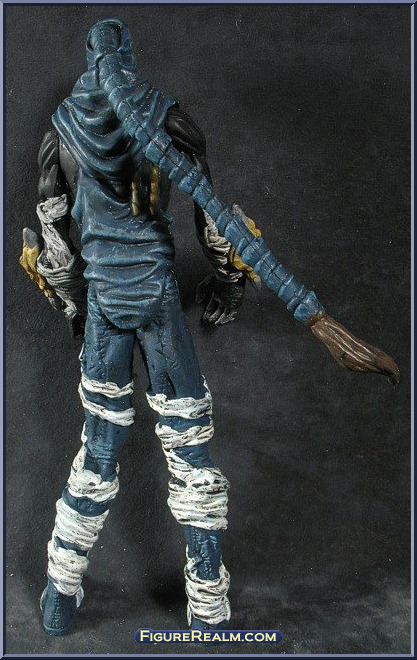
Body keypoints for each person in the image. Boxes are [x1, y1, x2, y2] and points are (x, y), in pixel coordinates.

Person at [20, 18, 398, 636]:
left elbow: (55, 241)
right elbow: (215, 222)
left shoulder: (61, 128)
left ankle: (60, 597)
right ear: (129, 57)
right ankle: (207, 608)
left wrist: (74, 307)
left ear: (89, 58)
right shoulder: (165, 118)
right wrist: (227, 283)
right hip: (157, 301)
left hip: (108, 305)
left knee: (98, 447)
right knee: (189, 448)